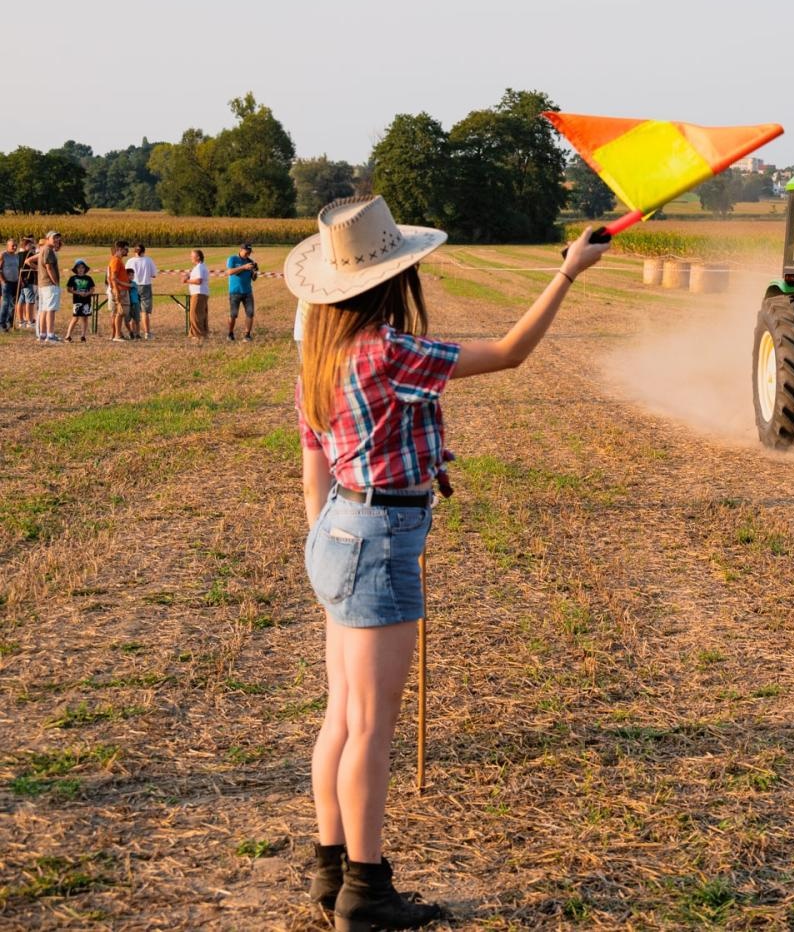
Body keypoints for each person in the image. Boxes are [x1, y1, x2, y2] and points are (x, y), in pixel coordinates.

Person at [290, 195, 608, 928]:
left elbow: (312, 459)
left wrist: (328, 546)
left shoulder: (319, 351)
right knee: (371, 726)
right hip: (376, 535)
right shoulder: (386, 351)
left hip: (341, 528)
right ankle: (365, 894)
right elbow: (510, 353)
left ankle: (330, 868)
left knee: (342, 714)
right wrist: (568, 274)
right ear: (392, 277)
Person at [221, 241, 260, 341]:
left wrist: (255, 273)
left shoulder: (250, 261)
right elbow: (229, 272)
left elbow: (253, 278)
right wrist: (244, 267)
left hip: (248, 292)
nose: (248, 253)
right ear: (241, 250)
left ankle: (247, 335)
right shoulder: (232, 259)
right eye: (247, 251)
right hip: (235, 292)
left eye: (250, 252)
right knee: (233, 314)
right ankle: (230, 333)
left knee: (250, 313)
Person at [29, 231, 63, 344]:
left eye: (58, 238)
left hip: (43, 284)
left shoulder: (43, 249)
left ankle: (43, 335)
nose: (57, 239)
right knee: (50, 310)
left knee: (43, 309)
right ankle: (50, 335)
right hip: (49, 285)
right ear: (47, 238)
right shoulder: (48, 250)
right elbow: (49, 268)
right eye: (54, 237)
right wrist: (56, 282)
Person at [126, 244, 157, 339]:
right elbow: (154, 275)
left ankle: (133, 332)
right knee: (145, 311)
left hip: (132, 286)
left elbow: (125, 274)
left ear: (134, 251)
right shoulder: (149, 260)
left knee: (133, 309)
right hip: (145, 286)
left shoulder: (130, 261)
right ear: (144, 251)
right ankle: (147, 333)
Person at [106, 241, 133, 342]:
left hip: (120, 290)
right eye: (126, 249)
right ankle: (117, 335)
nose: (127, 251)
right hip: (119, 291)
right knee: (119, 313)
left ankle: (116, 334)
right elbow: (113, 278)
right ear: (119, 249)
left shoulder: (117, 260)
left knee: (117, 313)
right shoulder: (116, 261)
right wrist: (117, 292)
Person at [64, 259, 95, 343]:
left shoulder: (88, 278)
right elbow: (69, 289)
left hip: (86, 300)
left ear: (85, 269)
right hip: (77, 300)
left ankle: (83, 336)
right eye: (79, 267)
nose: (81, 269)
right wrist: (77, 292)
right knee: (75, 318)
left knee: (85, 318)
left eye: (82, 267)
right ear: (76, 269)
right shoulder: (73, 278)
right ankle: (68, 335)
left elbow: (92, 289)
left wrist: (88, 293)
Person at [185, 249, 210, 340]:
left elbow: (199, 280)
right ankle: (202, 333)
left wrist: (186, 281)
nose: (191, 258)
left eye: (192, 256)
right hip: (202, 293)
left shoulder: (199, 267)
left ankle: (197, 335)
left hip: (198, 293)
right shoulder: (201, 267)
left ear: (198, 257)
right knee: (201, 314)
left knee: (195, 314)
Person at [17, 236, 37, 333]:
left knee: (21, 300)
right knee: (30, 300)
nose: (32, 246)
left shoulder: (18, 254)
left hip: (21, 280)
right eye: (29, 244)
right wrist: (37, 267)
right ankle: (30, 321)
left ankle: (21, 321)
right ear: (25, 246)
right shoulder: (29, 254)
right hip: (28, 279)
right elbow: (29, 263)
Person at [0, 239, 20, 332]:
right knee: (5, 303)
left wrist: (20, 280)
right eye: (13, 246)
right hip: (6, 283)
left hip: (15, 282)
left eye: (16, 245)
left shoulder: (16, 256)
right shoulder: (3, 255)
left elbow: (18, 268)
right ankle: (2, 324)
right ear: (7, 246)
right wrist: (3, 280)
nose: (15, 247)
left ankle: (10, 323)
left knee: (13, 304)